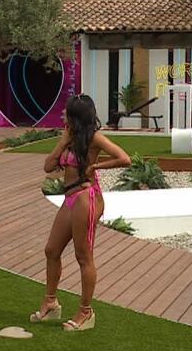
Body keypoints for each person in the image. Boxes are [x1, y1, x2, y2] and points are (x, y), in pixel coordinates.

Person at [29, 95, 130, 331]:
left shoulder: (94, 138)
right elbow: (47, 166)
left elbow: (123, 158)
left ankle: (86, 312)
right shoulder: (69, 137)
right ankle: (51, 302)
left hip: (87, 197)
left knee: (83, 256)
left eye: (67, 113)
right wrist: (63, 141)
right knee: (51, 250)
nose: (63, 115)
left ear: (77, 116)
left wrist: (96, 166)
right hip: (69, 197)